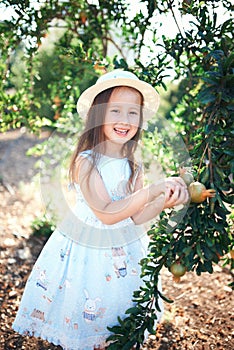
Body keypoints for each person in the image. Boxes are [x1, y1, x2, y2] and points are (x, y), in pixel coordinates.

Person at [12, 69, 189, 349]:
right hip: (89, 248)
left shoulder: (134, 164)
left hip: (123, 250)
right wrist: (152, 190)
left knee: (118, 310)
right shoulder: (87, 161)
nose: (124, 119)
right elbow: (106, 213)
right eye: (115, 110)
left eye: (133, 112)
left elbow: (137, 215)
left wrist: (163, 200)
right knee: (90, 302)